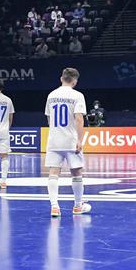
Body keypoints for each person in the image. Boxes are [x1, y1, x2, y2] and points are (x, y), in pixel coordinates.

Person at [44, 67, 91, 218]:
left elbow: (49, 118)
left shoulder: (51, 95)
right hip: (70, 140)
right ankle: (77, 206)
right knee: (76, 173)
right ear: (75, 81)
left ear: (61, 78)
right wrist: (79, 139)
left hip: (54, 140)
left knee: (53, 173)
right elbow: (79, 118)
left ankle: (54, 207)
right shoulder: (78, 95)